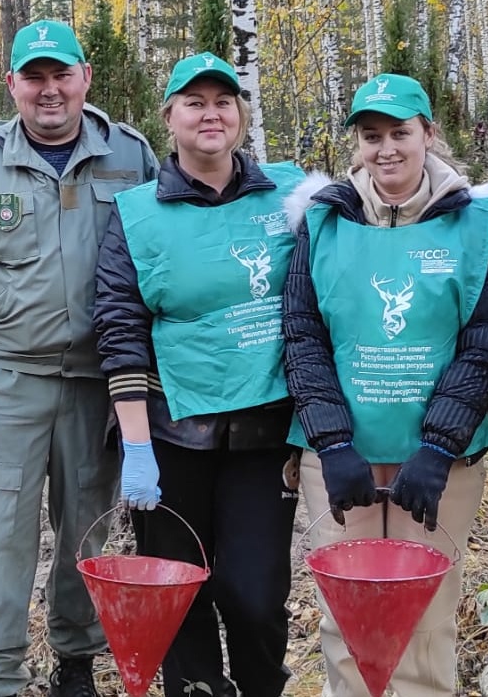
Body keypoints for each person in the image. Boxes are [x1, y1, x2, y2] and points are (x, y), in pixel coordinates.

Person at [0, 19, 159, 697]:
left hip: (100, 385)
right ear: (14, 84)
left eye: (61, 74)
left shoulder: (131, 158)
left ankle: (75, 664)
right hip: (4, 381)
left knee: (88, 533)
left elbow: (166, 266)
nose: (49, 91)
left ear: (84, 78)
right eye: (34, 77)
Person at [283, 73, 488, 697]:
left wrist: (440, 446)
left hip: (439, 462)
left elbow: (487, 338)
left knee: (426, 617)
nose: (386, 148)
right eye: (371, 136)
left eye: (400, 133)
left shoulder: (476, 224)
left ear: (428, 135)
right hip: (340, 459)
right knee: (346, 618)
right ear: (357, 143)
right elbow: (302, 335)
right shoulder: (323, 222)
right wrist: (332, 443)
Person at [93, 53, 304, 697]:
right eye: (194, 102)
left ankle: (263, 686)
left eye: (224, 100)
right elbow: (120, 327)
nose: (210, 113)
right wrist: (135, 448)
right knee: (179, 594)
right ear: (169, 118)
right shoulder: (135, 213)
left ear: (241, 113)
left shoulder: (293, 192)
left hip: (266, 437)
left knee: (254, 593)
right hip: (171, 436)